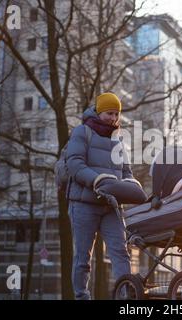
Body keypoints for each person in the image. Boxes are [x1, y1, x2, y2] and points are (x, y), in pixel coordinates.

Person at [66, 92, 134, 300]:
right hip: (83, 204)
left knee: (120, 252)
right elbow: (75, 164)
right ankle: (82, 297)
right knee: (83, 258)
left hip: (111, 206)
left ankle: (125, 298)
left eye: (116, 114)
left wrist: (132, 187)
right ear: (98, 112)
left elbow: (126, 172)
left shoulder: (118, 141)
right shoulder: (81, 132)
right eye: (109, 113)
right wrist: (98, 181)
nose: (113, 118)